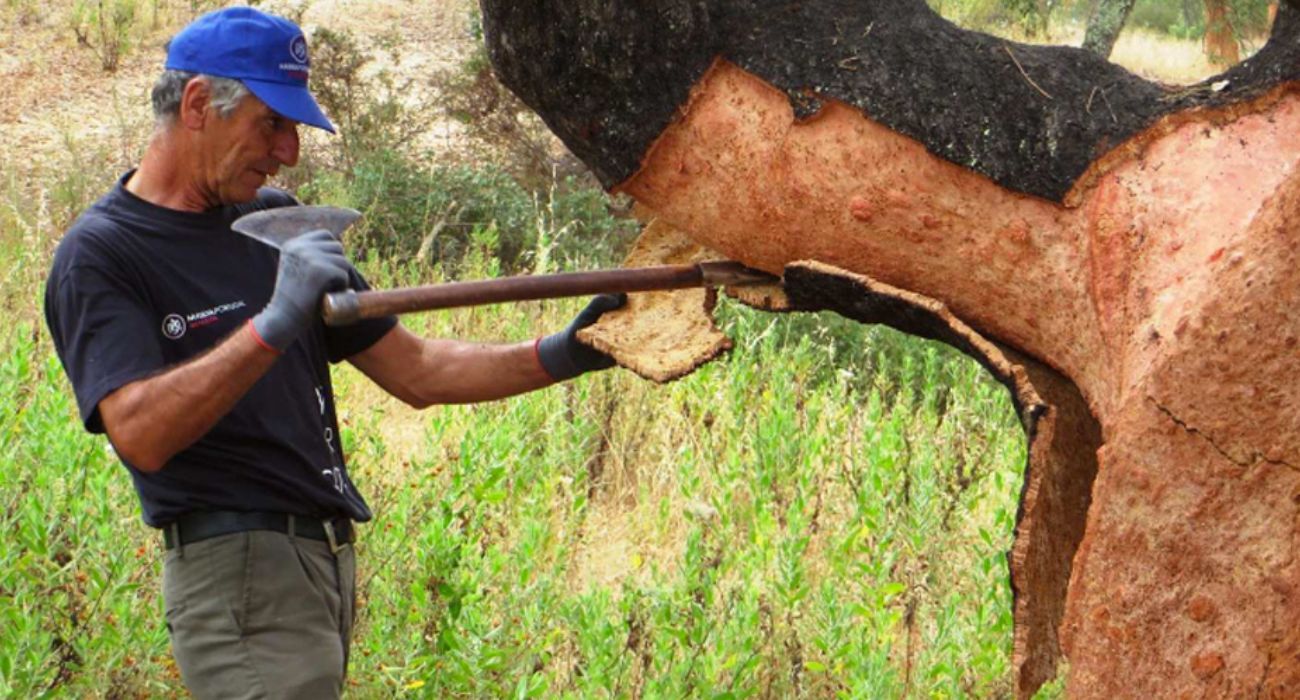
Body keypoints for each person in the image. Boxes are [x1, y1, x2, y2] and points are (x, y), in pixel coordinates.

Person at [42, 7, 623, 698]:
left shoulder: (273, 221)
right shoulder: (102, 254)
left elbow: (419, 371)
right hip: (235, 573)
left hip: (320, 564)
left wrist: (569, 350)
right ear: (198, 104)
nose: (287, 151)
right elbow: (139, 433)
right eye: (272, 123)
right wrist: (275, 322)